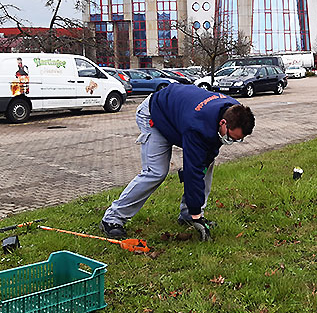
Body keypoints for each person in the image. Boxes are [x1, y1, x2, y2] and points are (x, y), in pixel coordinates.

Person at [101, 82, 254, 241]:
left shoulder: (234, 110)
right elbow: (193, 169)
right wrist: (197, 215)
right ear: (223, 123)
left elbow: (207, 153)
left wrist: (194, 212)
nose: (230, 142)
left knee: (207, 164)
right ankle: (112, 219)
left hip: (179, 115)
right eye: (230, 138)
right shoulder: (198, 125)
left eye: (237, 140)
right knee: (156, 172)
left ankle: (188, 214)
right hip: (155, 114)